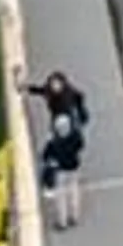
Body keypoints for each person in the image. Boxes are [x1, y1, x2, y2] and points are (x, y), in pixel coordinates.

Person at [27, 70, 91, 231]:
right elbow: (80, 144)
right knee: (73, 188)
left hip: (63, 167)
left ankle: (63, 221)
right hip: (73, 163)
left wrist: (49, 158)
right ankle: (73, 216)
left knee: (61, 192)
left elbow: (47, 153)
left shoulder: (56, 140)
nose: (54, 87)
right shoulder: (75, 136)